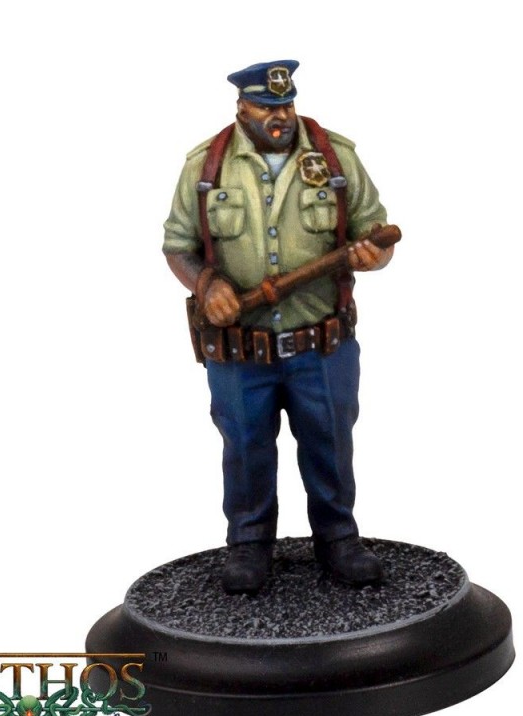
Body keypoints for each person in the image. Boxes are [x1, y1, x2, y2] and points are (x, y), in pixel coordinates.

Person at [163, 60, 395, 593]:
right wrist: (207, 286)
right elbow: (178, 246)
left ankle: (338, 538)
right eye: (267, 107)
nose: (280, 117)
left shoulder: (335, 158)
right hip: (240, 352)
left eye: (286, 105)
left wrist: (371, 256)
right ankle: (248, 544)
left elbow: (375, 233)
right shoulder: (206, 166)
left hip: (322, 344)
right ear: (242, 108)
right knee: (245, 448)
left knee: (329, 442)